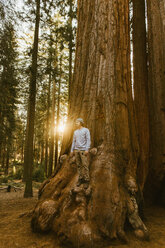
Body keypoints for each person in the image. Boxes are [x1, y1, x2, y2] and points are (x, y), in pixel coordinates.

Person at [71, 118, 91, 186]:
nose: (76, 123)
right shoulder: (75, 132)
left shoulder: (86, 130)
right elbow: (74, 141)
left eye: (77, 122)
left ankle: (87, 180)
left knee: (85, 165)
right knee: (79, 165)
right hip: (76, 150)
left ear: (81, 123)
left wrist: (87, 149)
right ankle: (80, 178)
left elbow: (88, 140)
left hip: (83, 150)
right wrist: (72, 150)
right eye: (75, 122)